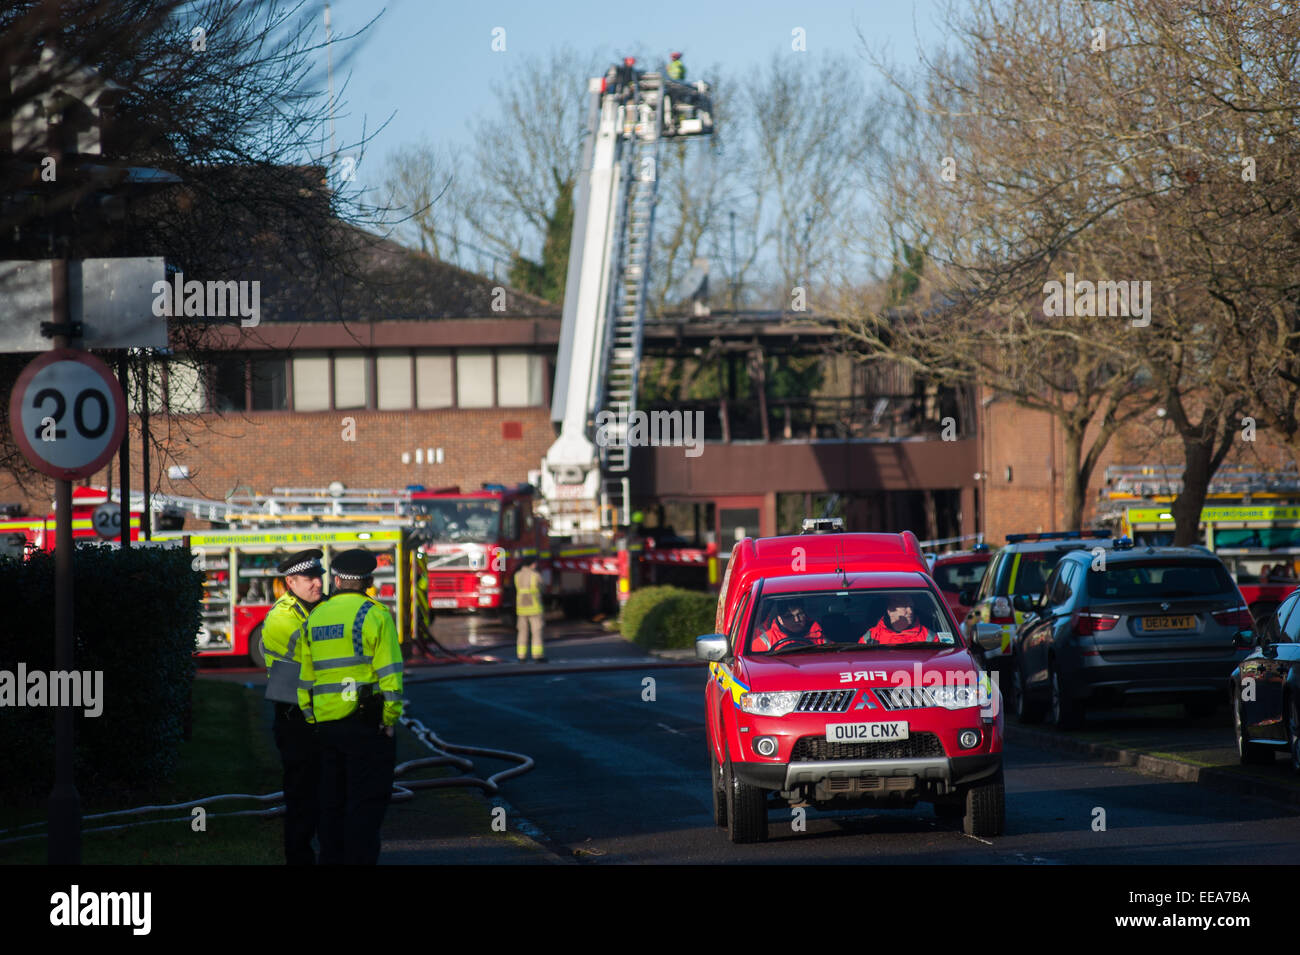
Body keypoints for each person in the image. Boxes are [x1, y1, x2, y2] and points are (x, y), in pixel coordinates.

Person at [297, 549, 403, 865]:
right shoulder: (376, 614)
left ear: (337, 579)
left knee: (331, 804)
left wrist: (309, 716)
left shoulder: (315, 616)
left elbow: (305, 676)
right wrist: (389, 718)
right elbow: (390, 676)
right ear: (369, 582)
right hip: (366, 725)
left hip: (326, 728)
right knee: (366, 805)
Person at [260, 548, 325, 865]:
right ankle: (299, 859)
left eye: (319, 577)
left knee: (328, 795)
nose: (317, 584)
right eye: (309, 579)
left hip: (323, 716)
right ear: (290, 582)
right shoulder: (282, 617)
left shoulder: (320, 609)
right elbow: (315, 656)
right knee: (301, 798)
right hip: (295, 717)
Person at [861, 594, 933, 645]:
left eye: (911, 607)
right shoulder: (871, 637)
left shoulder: (929, 638)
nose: (910, 611)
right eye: (905, 607)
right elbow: (859, 662)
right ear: (890, 610)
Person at [753, 600, 824, 651]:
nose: (796, 620)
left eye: (800, 614)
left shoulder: (818, 636)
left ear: (805, 614)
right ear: (780, 619)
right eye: (789, 616)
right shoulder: (764, 642)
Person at [514, 555, 546, 662]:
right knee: (536, 633)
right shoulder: (535, 575)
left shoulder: (517, 575)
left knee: (522, 633)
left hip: (521, 609)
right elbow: (542, 588)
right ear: (532, 564)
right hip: (534, 609)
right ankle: (537, 656)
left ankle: (521, 656)